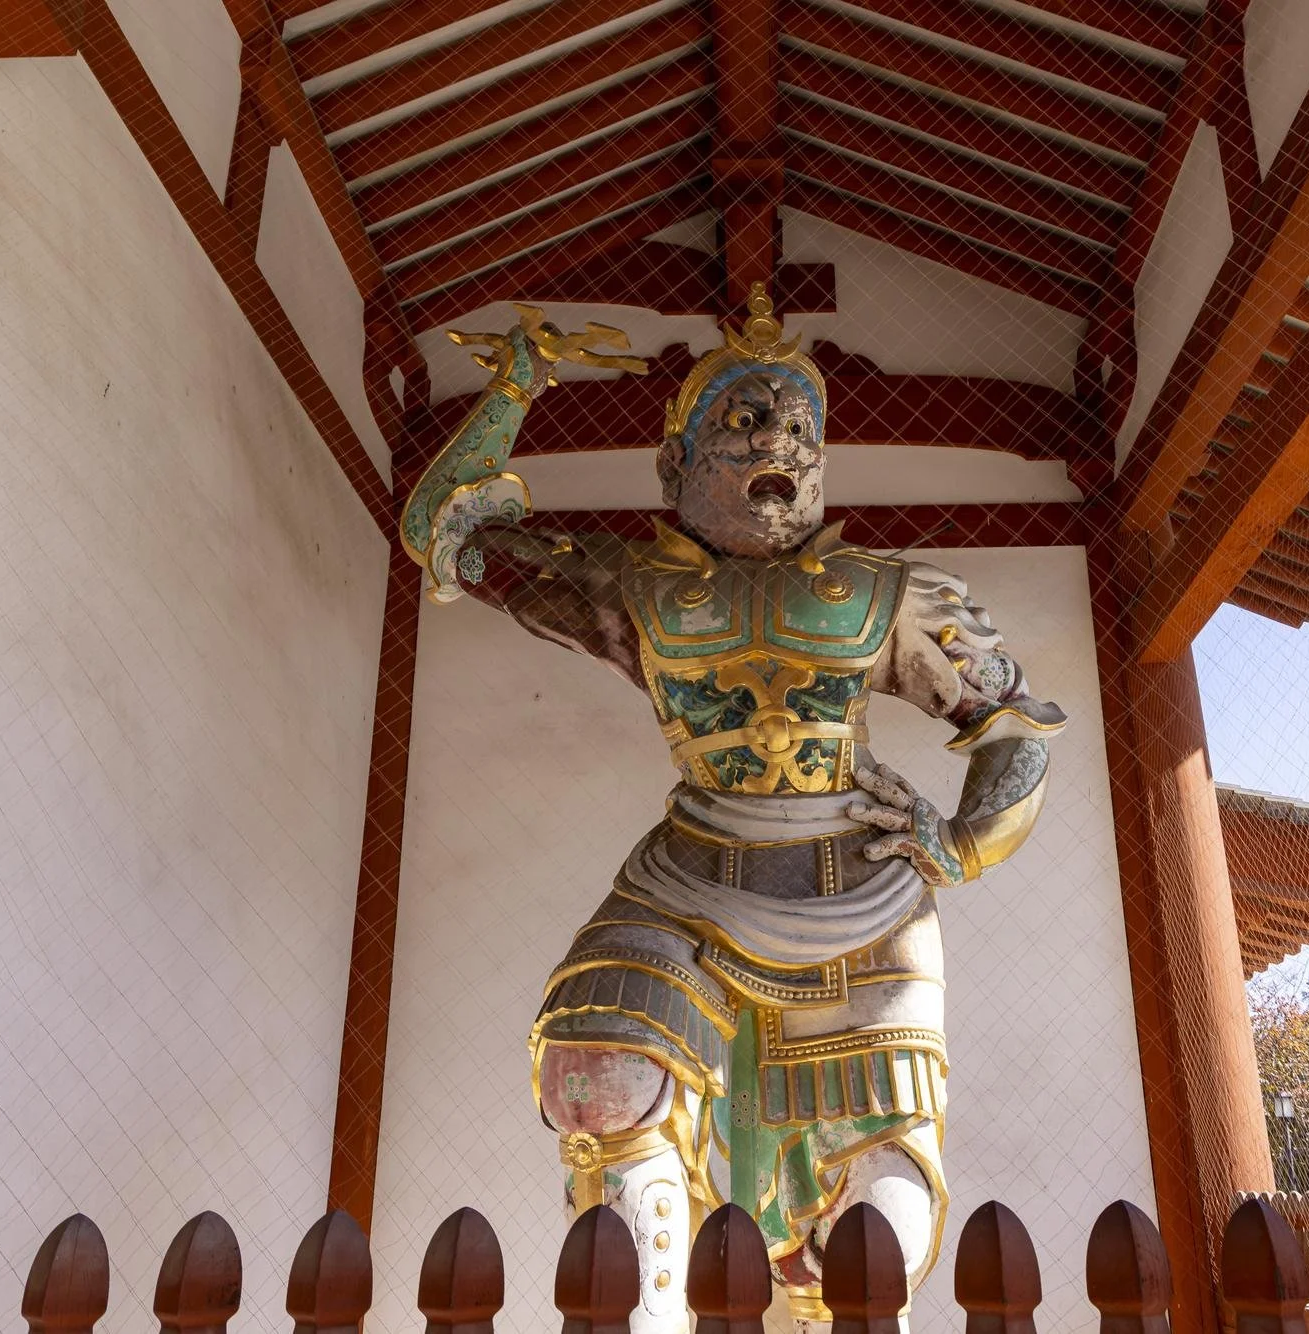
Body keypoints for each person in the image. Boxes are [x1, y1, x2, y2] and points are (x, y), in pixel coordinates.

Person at [399, 288, 1065, 1332]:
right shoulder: (629, 588)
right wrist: (518, 383)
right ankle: (648, 1311)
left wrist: (962, 841)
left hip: (864, 893)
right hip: (684, 880)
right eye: (746, 420)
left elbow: (1015, 726)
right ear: (674, 464)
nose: (781, 443)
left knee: (877, 1182)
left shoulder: (890, 593)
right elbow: (447, 532)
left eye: (801, 426)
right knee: (596, 1071)